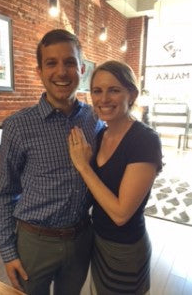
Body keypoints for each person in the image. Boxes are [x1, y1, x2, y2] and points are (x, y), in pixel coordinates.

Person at [0, 29, 103, 295]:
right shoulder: (18, 126)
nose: (61, 72)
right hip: (35, 242)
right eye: (51, 63)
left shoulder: (94, 119)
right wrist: (9, 253)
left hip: (80, 239)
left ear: (81, 68)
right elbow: (6, 193)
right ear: (39, 71)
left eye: (69, 62)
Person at [68, 60, 163, 295]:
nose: (103, 99)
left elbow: (121, 214)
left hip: (126, 249)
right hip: (98, 241)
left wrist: (84, 166)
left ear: (131, 94)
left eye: (114, 90)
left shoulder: (144, 140)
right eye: (97, 91)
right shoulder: (102, 134)